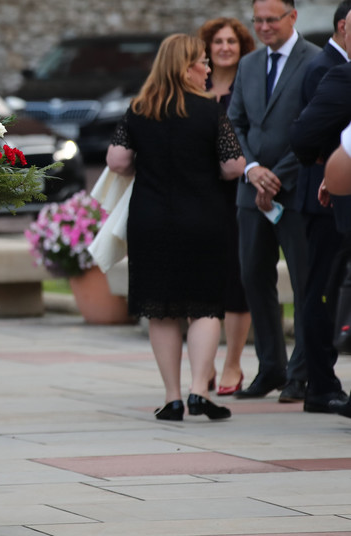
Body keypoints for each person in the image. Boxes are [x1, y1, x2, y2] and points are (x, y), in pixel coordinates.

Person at [106, 34, 246, 422]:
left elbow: (117, 160)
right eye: (202, 61)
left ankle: (172, 398)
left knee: (161, 309)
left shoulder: (139, 109)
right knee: (204, 306)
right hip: (204, 220)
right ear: (184, 67)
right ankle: (200, 390)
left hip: (151, 220)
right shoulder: (210, 111)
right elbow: (234, 166)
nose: (207, 68)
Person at [227, 0, 319, 402]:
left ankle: (302, 372)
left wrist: (279, 173)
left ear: (292, 18)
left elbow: (315, 125)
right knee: (253, 276)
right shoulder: (248, 65)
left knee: (304, 282)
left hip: (295, 191)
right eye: (258, 20)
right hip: (252, 192)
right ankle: (271, 368)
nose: (263, 27)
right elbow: (234, 123)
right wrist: (252, 170)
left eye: (271, 19)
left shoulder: (315, 61)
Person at [289, 2, 351, 413]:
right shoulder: (330, 68)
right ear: (344, 26)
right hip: (327, 197)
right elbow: (307, 133)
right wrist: (330, 165)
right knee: (321, 292)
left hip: (334, 189)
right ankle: (320, 383)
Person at [197, 17, 256, 397]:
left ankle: (233, 360)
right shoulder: (194, 85)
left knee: (237, 277)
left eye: (231, 41)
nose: (224, 47)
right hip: (198, 193)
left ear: (241, 46)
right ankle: (204, 364)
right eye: (217, 41)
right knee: (200, 278)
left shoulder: (249, 84)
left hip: (238, 190)